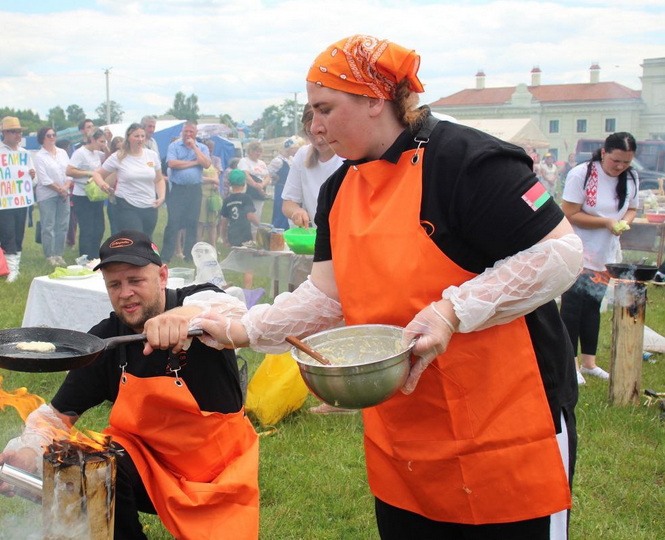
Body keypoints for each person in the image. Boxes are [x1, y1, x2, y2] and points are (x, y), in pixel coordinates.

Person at [196, 35, 582, 539]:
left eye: (325, 109)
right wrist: (242, 329)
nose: (314, 127)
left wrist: (451, 311)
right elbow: (327, 297)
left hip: (505, 419)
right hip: (405, 427)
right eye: (310, 112)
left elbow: (559, 254)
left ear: (375, 98)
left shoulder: (467, 162)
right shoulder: (338, 189)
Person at [0, 230, 259, 539]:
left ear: (162, 276)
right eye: (115, 284)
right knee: (82, 462)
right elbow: (55, 416)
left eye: (135, 280)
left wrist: (185, 316)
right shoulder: (106, 341)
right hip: (146, 470)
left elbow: (236, 310)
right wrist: (28, 452)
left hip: (217, 473)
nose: (125, 293)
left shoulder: (198, 302)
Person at [560, 133, 638, 384]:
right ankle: (570, 365)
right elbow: (569, 213)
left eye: (626, 162)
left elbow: (633, 209)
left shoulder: (631, 177)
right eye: (616, 161)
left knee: (592, 306)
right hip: (579, 250)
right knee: (572, 308)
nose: (620, 167)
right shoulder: (582, 174)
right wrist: (605, 222)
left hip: (605, 254)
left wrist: (624, 223)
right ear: (604, 153)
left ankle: (589, 363)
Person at [282, 105, 345, 228]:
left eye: (322, 132)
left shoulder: (347, 156)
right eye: (310, 133)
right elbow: (288, 203)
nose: (318, 140)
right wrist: (296, 211)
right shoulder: (302, 155)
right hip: (320, 235)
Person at [99, 123, 165, 238]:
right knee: (135, 238)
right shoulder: (118, 156)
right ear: (128, 137)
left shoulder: (152, 155)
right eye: (136, 136)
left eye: (142, 136)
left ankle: (138, 256)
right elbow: (98, 174)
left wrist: (161, 196)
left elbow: (159, 179)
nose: (140, 139)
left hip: (149, 204)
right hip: (127, 204)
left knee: (146, 239)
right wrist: (103, 184)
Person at [160, 122, 211, 263]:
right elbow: (172, 164)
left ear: (196, 133)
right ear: (182, 132)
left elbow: (206, 164)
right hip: (178, 189)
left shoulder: (202, 148)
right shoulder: (174, 146)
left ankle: (189, 255)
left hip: (194, 190)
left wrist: (194, 147)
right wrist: (194, 163)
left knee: (192, 223)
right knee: (173, 222)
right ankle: (166, 255)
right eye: (186, 132)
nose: (188, 135)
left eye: (191, 132)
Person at [0, 117, 35, 282]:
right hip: (3, 202)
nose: (18, 135)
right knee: (7, 232)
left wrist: (32, 176)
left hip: (20, 200)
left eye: (19, 131)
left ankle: (15, 266)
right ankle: (10, 269)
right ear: (5, 133)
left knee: (18, 233)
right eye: (14, 131)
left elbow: (32, 179)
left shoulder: (24, 153)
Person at [66, 128, 113, 258]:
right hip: (82, 195)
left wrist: (107, 145)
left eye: (104, 142)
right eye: (101, 141)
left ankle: (95, 255)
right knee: (87, 228)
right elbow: (69, 171)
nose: (102, 144)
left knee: (99, 228)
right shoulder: (80, 153)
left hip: (95, 195)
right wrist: (89, 173)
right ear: (92, 139)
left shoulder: (97, 153)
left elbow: (110, 160)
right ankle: (85, 257)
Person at [33, 126, 72, 266]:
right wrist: (59, 189)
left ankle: (58, 254)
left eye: (53, 135)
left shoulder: (62, 153)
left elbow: (69, 171)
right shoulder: (39, 156)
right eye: (48, 135)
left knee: (62, 225)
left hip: (64, 193)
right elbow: (44, 179)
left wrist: (66, 187)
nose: (52, 138)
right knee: (48, 225)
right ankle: (49, 255)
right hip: (47, 195)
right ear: (42, 138)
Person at [267, 137, 300, 230]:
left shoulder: (291, 159)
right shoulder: (278, 161)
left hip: (289, 188)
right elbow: (269, 171)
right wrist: (275, 177)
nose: (296, 150)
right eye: (294, 148)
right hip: (281, 189)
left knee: (287, 213)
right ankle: (277, 231)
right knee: (280, 211)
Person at [220, 170, 259, 247]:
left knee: (235, 253)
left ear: (230, 183)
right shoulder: (246, 198)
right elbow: (250, 215)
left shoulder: (227, 200)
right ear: (244, 183)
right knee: (245, 254)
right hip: (244, 233)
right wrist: (260, 225)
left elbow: (224, 221)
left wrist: (224, 238)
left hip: (232, 233)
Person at [237, 141, 270, 223]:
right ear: (250, 151)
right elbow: (246, 175)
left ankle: (254, 233)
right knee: (248, 216)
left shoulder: (262, 163)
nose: (258, 153)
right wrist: (256, 185)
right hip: (249, 192)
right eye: (256, 151)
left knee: (257, 215)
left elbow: (267, 176)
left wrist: (262, 185)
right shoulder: (244, 161)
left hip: (260, 193)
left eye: (260, 151)